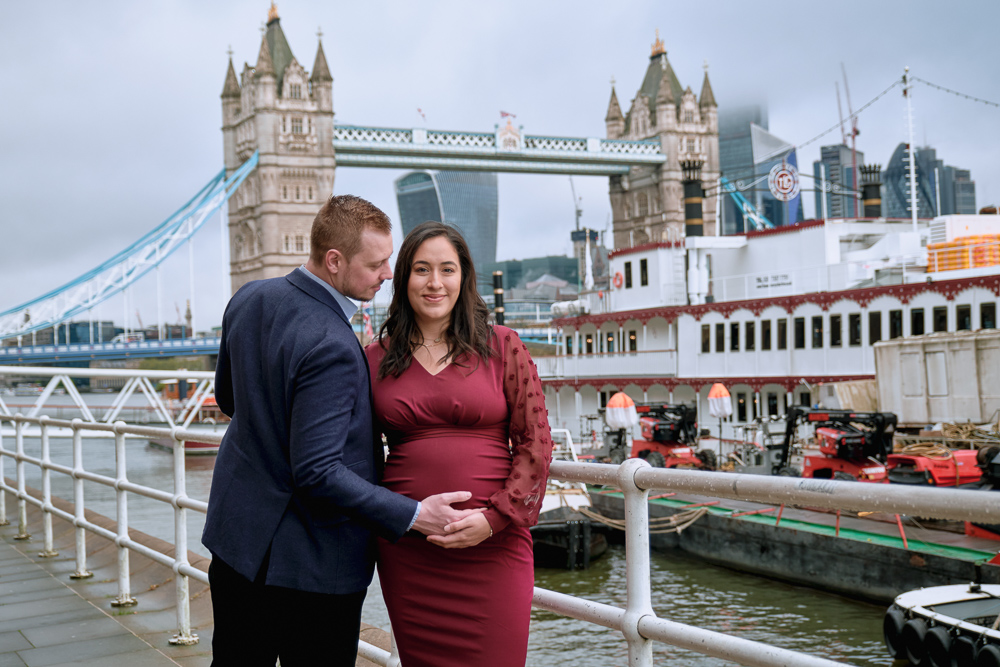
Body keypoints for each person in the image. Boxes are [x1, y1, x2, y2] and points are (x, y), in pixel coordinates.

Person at [203, 196, 481, 667]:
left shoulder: (248, 298)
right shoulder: (332, 343)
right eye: (376, 263)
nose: (388, 273)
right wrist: (413, 513)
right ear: (334, 261)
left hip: (237, 544)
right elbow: (318, 471)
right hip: (313, 566)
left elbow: (230, 400)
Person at [365, 221, 553, 666]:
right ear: (402, 278)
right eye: (421, 270)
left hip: (495, 546)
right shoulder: (373, 359)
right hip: (411, 549)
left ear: (464, 277)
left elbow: (536, 443)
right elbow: (356, 455)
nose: (435, 283)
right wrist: (400, 517)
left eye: (447, 270)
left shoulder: (503, 346)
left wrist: (495, 519)